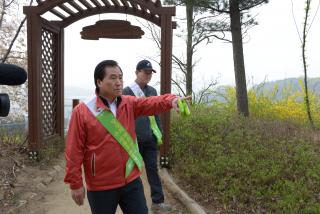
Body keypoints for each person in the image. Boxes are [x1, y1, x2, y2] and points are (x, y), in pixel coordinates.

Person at [64, 59, 188, 214]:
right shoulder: (82, 112)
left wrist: (171, 100)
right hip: (101, 185)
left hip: (131, 180)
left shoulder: (128, 103)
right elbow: (73, 150)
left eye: (120, 77)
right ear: (99, 81)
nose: (118, 82)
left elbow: (151, 103)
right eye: (113, 78)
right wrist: (75, 184)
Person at [123, 59, 172, 212]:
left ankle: (157, 202)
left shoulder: (152, 91)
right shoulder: (126, 92)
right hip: (134, 140)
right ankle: (136, 205)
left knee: (152, 169)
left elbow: (156, 113)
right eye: (145, 72)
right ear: (137, 72)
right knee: (133, 174)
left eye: (150, 73)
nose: (148, 75)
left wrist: (159, 133)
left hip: (150, 138)